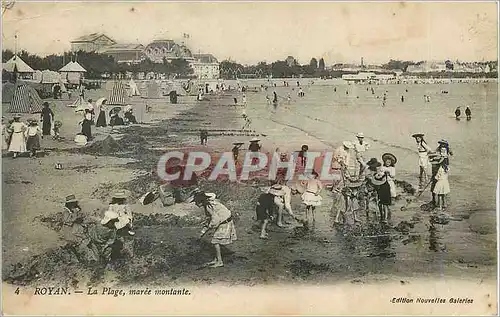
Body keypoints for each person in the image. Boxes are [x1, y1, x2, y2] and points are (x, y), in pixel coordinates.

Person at [191, 191, 237, 267]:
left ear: (201, 201)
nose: (196, 204)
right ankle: (216, 259)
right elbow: (209, 219)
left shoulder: (210, 206)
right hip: (223, 221)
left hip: (225, 222)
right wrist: (203, 232)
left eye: (196, 202)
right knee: (215, 241)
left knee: (215, 242)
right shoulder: (208, 205)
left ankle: (220, 262)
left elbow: (215, 220)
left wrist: (208, 228)